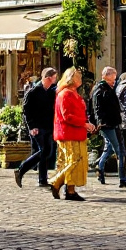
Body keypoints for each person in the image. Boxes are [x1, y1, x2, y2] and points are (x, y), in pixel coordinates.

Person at [48, 68, 95, 201]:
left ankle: (70, 190)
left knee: (76, 161)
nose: (80, 79)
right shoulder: (65, 94)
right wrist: (84, 123)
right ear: (71, 78)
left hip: (77, 132)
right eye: (78, 77)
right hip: (68, 133)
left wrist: (86, 123)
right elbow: (67, 116)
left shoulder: (73, 93)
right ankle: (56, 182)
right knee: (74, 161)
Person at [91, 66, 126, 189]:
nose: (115, 80)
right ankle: (123, 178)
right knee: (120, 150)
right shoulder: (100, 90)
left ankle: (99, 167)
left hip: (114, 123)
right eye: (113, 77)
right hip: (107, 124)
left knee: (110, 148)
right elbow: (97, 108)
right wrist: (101, 122)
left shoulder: (109, 88)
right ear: (106, 76)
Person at [15, 68, 58, 188]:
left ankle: (42, 179)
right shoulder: (34, 91)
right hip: (37, 127)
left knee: (47, 152)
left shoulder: (50, 91)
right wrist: (31, 126)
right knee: (43, 150)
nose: (55, 80)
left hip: (48, 126)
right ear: (48, 78)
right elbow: (26, 110)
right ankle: (21, 169)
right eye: (54, 77)